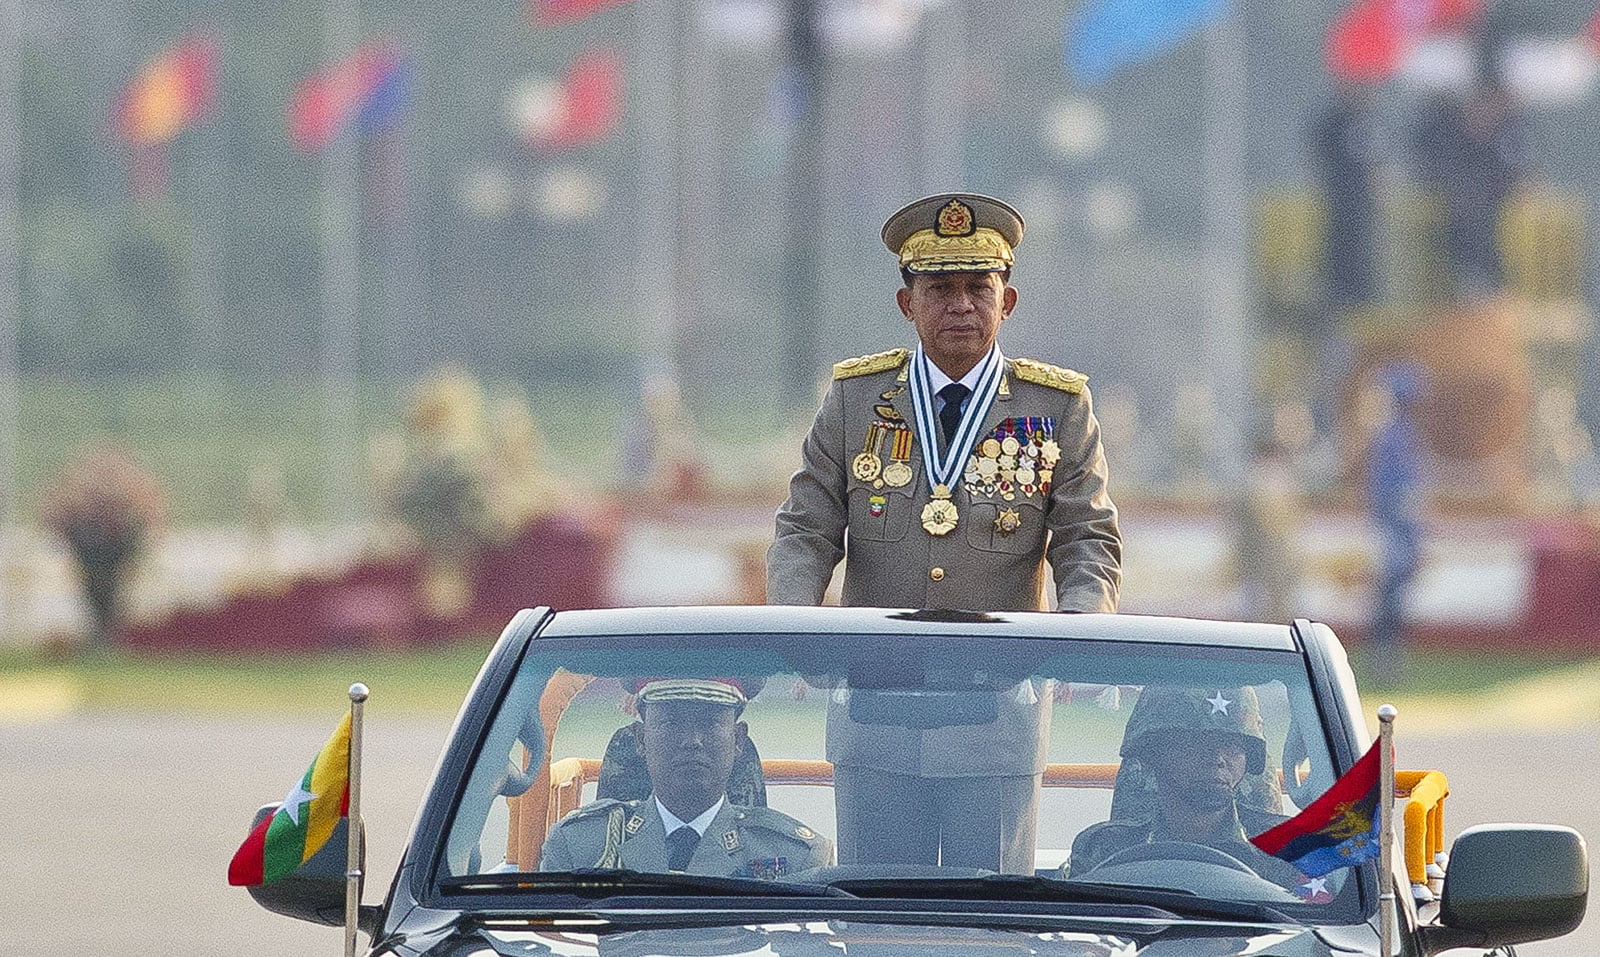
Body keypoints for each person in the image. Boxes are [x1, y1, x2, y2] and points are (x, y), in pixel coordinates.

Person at [766, 192, 1122, 873]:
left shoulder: (1057, 407)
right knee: (876, 928)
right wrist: (794, 623)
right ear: (908, 305)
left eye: (977, 288)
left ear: (1007, 301)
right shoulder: (854, 399)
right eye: (941, 289)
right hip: (875, 716)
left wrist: (1080, 628)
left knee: (991, 933)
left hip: (996, 720)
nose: (961, 304)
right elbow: (805, 527)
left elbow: (1088, 539)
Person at [539, 679, 833, 878]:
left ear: (738, 740)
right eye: (670, 722)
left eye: (710, 722)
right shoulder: (577, 847)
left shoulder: (796, 859)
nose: (692, 740)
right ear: (641, 739)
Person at [1067, 685, 1304, 891]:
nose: (1218, 758)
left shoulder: (1291, 850)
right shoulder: (1100, 849)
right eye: (1196, 742)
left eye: (1231, 744)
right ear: (1153, 755)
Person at [1365, 361, 1427, 678]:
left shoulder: (1395, 434)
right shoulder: (1395, 436)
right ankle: (1384, 657)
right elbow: (1398, 492)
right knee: (1390, 593)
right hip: (1395, 527)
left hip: (1396, 526)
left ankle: (1386, 656)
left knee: (1393, 592)